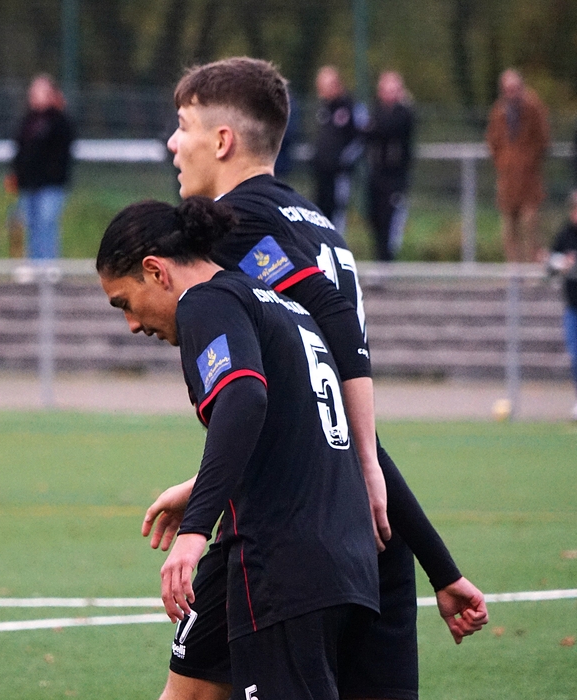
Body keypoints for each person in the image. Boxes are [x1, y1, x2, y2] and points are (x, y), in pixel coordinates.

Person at [162, 57, 488, 700]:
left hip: (294, 531)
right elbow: (327, 415)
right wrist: (436, 560)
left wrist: (363, 460)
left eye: (183, 126)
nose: (173, 143)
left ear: (222, 140)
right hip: (360, 520)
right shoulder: (316, 222)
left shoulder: (237, 225)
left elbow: (328, 335)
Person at [98, 197, 380, 700]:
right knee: (190, 688)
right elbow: (285, 427)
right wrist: (200, 489)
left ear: (155, 271)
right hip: (320, 549)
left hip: (284, 561)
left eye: (124, 303)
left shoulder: (204, 301)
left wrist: (193, 531)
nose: (133, 325)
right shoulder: (273, 301)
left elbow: (245, 399)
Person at [8, 74, 75, 260]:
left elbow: (61, 152)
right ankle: (34, 263)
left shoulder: (60, 121)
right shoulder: (27, 121)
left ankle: (48, 264)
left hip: (51, 184)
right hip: (28, 184)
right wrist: (16, 174)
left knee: (47, 224)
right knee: (30, 224)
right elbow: (20, 150)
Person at [485, 69, 549, 263]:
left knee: (530, 226)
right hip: (507, 180)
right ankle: (513, 270)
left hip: (529, 180)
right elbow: (493, 141)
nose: (511, 93)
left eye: (514, 88)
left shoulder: (533, 108)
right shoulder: (499, 111)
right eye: (507, 89)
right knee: (508, 229)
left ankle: (531, 269)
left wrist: (528, 161)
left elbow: (543, 139)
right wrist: (504, 162)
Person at [311, 65, 366, 235]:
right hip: (322, 172)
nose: (321, 92)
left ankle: (336, 244)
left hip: (339, 174)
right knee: (320, 212)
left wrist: (343, 161)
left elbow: (361, 140)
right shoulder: (324, 108)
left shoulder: (350, 106)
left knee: (337, 211)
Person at [365, 71, 414, 262]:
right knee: (374, 216)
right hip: (377, 174)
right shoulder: (376, 110)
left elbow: (387, 128)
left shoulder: (404, 113)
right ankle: (379, 257)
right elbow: (367, 133)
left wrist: (373, 128)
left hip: (395, 176)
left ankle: (387, 260)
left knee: (390, 218)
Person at [547, 191, 577, 421]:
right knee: (575, 356)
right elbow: (550, 264)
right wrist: (561, 263)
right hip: (572, 305)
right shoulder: (565, 235)